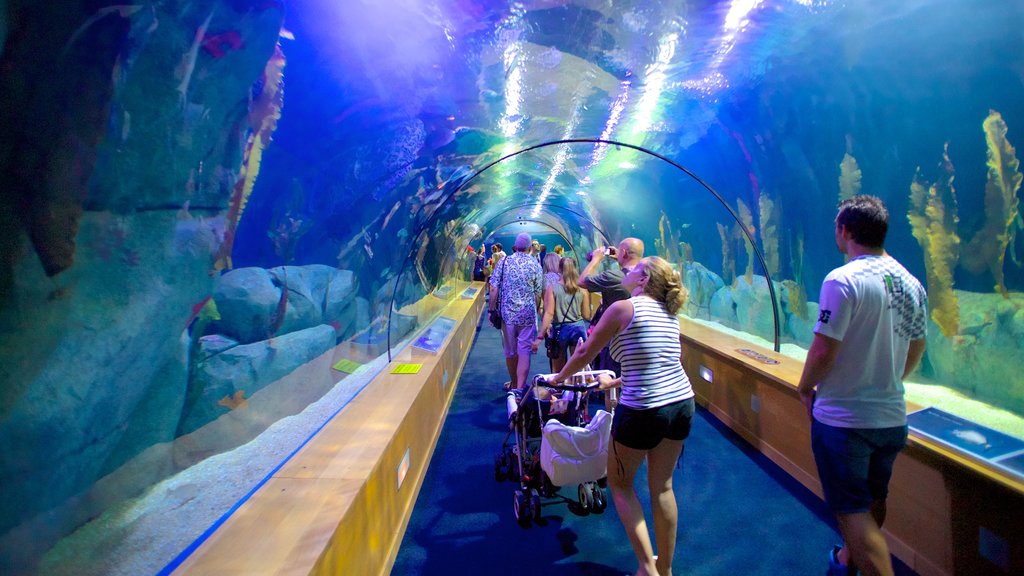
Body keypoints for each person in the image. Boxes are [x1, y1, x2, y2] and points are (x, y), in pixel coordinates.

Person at [796, 195, 927, 576]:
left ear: (846, 230)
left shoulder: (843, 279)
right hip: (890, 417)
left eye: (837, 226)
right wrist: (888, 379)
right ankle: (848, 562)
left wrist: (805, 387)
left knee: (850, 508)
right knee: (874, 498)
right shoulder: (910, 282)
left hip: (845, 419)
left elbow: (824, 348)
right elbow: (917, 345)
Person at [543, 256, 693, 576]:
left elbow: (585, 352)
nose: (628, 270)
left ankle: (646, 568)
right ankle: (664, 569)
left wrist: (558, 379)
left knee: (621, 484)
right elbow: (660, 365)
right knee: (663, 487)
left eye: (636, 269)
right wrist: (616, 380)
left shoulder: (623, 308)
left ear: (643, 280)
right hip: (681, 403)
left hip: (642, 410)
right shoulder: (670, 314)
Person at [579, 238, 644, 373]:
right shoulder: (647, 276)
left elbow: (582, 281)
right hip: (637, 338)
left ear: (624, 252)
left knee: (608, 378)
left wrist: (596, 259)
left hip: (612, 341)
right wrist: (621, 259)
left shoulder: (614, 276)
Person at [489, 233, 543, 391]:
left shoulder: (505, 262)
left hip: (508, 316)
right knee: (524, 351)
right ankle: (520, 388)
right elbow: (538, 293)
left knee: (510, 351)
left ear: (515, 246)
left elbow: (493, 288)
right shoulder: (535, 265)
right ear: (529, 248)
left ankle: (513, 383)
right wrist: (535, 309)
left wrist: (491, 310)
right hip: (527, 315)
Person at [533, 257, 591, 373]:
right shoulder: (582, 289)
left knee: (558, 370)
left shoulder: (553, 288)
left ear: (559, 269)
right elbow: (586, 315)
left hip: (560, 329)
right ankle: (577, 390)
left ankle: (560, 389)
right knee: (578, 367)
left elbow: (549, 313)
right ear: (575, 268)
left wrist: (540, 336)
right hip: (578, 329)